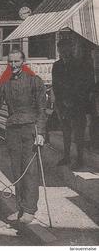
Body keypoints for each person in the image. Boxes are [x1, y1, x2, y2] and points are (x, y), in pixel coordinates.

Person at [0, 49, 47, 224]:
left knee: (30, 170)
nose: (13, 65)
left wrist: (41, 133)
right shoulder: (4, 83)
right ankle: (20, 208)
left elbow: (42, 110)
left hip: (31, 131)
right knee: (16, 170)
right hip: (13, 130)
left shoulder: (34, 81)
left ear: (24, 62)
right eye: (10, 62)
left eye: (16, 61)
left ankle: (30, 209)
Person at [52, 38, 95, 170]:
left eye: (67, 49)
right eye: (61, 49)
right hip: (63, 105)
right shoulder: (57, 65)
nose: (64, 52)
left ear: (71, 49)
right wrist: (61, 101)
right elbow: (56, 85)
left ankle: (80, 159)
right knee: (66, 131)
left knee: (79, 133)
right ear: (59, 50)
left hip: (78, 105)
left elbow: (86, 85)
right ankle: (66, 156)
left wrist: (74, 100)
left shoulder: (81, 64)